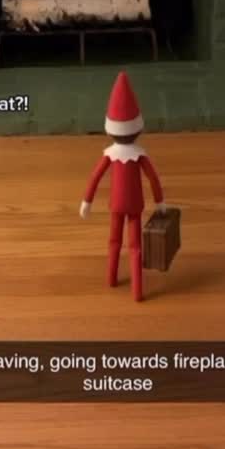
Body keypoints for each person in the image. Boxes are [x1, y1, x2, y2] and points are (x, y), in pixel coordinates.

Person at [80, 71, 165, 302]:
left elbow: (95, 177)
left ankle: (112, 278)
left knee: (114, 241)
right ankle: (137, 291)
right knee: (135, 247)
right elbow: (153, 179)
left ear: (111, 128)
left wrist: (87, 202)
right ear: (137, 128)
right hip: (135, 204)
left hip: (116, 205)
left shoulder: (109, 155)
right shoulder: (140, 156)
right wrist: (160, 202)